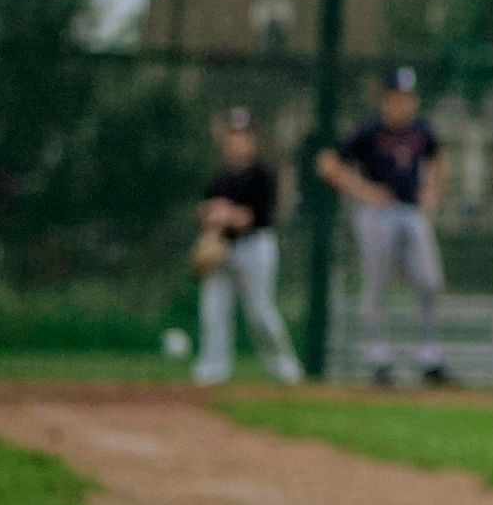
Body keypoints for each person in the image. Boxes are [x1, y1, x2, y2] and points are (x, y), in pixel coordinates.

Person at [317, 66, 449, 386]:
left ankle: (430, 356)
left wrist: (432, 192)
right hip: (377, 214)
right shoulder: (369, 130)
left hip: (411, 211)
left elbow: (439, 158)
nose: (403, 104)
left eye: (408, 97)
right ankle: (378, 358)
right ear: (386, 99)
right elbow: (326, 162)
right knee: (377, 285)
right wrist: (363, 190)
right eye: (397, 97)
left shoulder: (421, 129)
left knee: (430, 280)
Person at [191, 106, 304, 385]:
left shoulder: (261, 174)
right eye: (233, 135)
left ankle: (285, 368)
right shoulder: (221, 174)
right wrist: (210, 213)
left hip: (255, 247)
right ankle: (211, 370)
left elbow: (253, 217)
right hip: (224, 247)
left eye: (243, 135)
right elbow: (205, 209)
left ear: (252, 139)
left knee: (260, 311)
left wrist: (224, 213)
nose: (237, 140)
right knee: (213, 310)